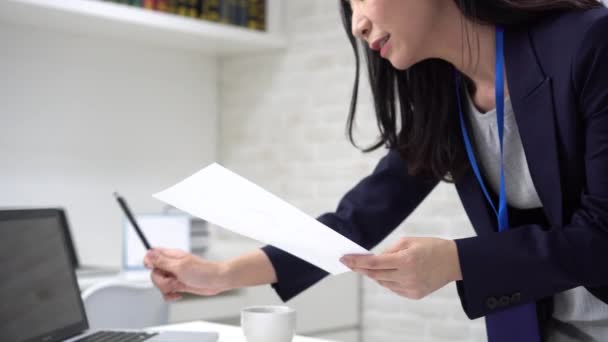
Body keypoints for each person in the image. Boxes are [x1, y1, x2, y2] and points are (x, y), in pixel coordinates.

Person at [144, 1, 608, 341]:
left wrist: (455, 261)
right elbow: (356, 221)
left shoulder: (589, 43)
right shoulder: (444, 99)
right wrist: (221, 274)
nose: (357, 23)